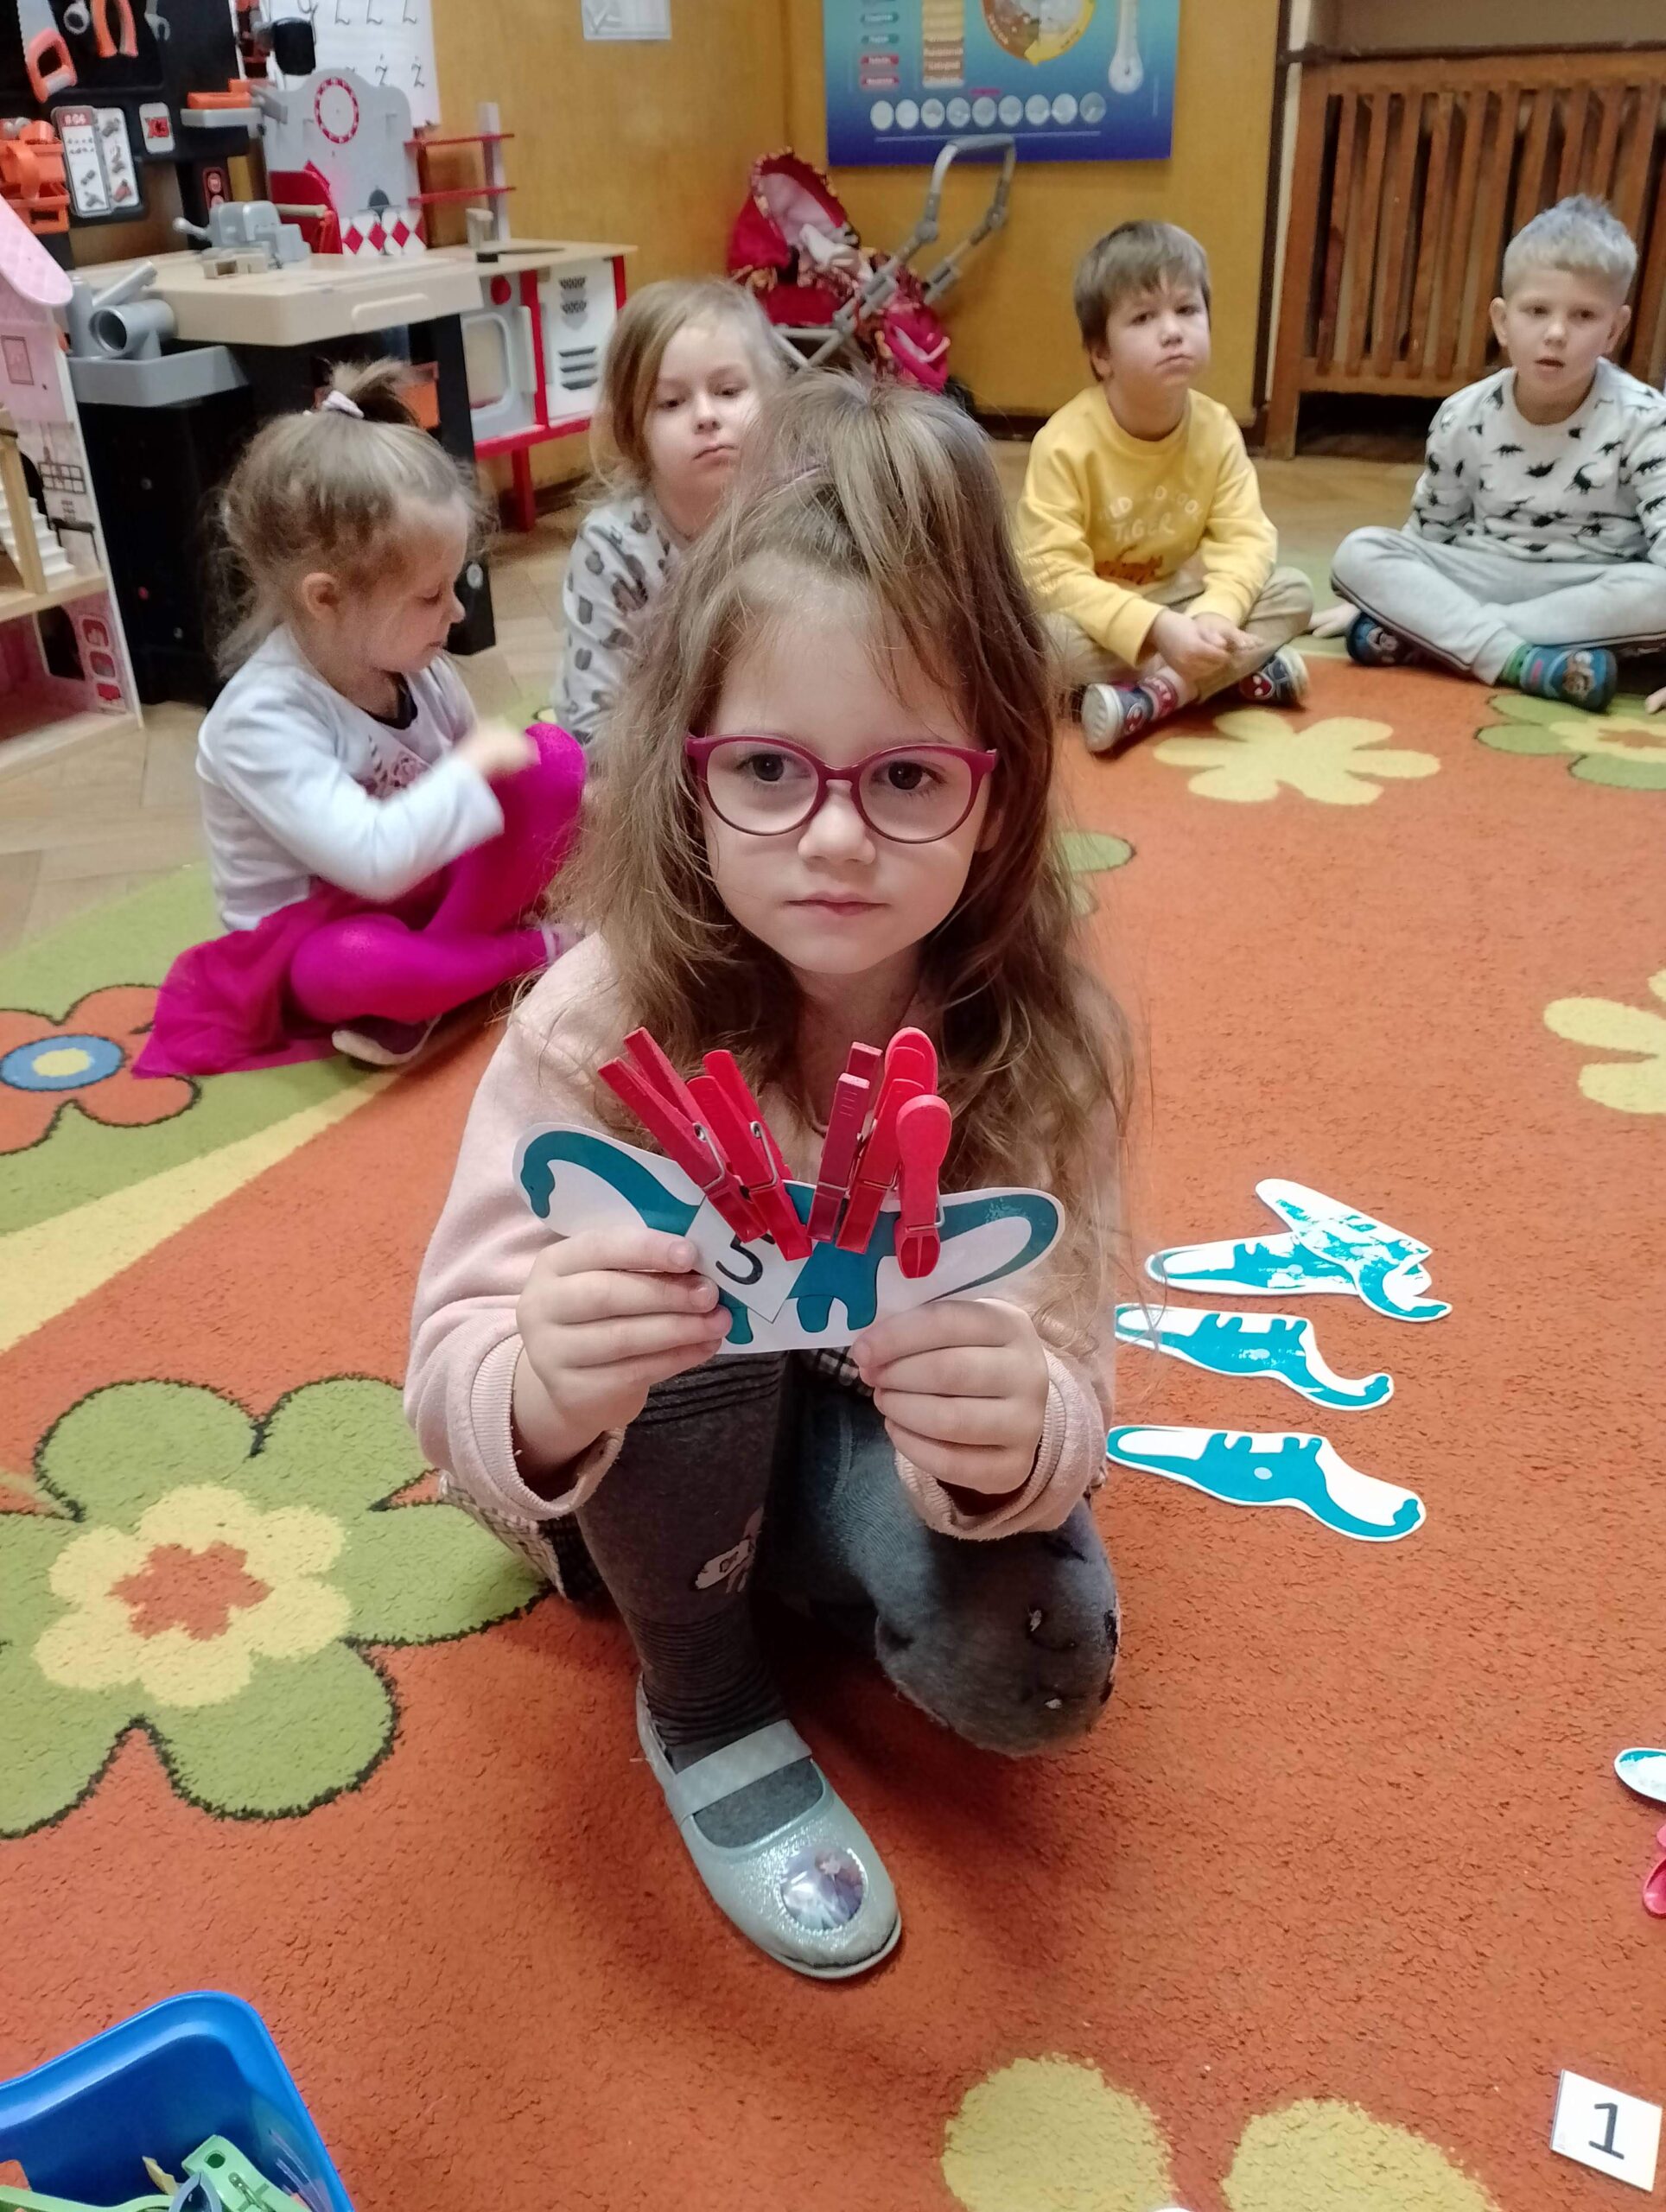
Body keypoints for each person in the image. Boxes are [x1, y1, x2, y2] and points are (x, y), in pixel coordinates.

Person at [408, 374, 1130, 1980]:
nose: (835, 839)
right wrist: (544, 1389)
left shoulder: (1038, 1042)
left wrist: (1018, 1436)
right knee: (674, 1309)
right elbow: (450, 1368)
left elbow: (1073, 1357)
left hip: (862, 1437)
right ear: (692, 777)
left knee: (1039, 1660)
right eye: (769, 772)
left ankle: (783, 1561)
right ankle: (705, 1680)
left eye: (907, 778)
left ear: (996, 794)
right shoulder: (594, 1023)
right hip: (646, 1457)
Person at [137, 361, 584, 1079]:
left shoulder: (414, 665)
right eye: (430, 596)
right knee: (354, 965)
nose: (457, 612)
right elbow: (374, 863)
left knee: (554, 757)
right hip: (309, 938)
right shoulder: (257, 720)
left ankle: (433, 983)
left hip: (422, 889)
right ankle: (531, 952)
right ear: (326, 599)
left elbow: (485, 800)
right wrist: (473, 768)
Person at [1327, 195, 1666, 712]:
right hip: (1481, 571)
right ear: (1503, 322)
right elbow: (1429, 532)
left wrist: (1408, 612)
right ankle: (1524, 660)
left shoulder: (1646, 419)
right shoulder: (1462, 414)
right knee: (1360, 553)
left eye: (1583, 315)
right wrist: (1377, 592)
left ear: (1613, 331)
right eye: (1537, 311)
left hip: (1587, 587)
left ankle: (1437, 638)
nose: (1556, 333)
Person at [1014, 219, 1313, 753]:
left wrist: (1213, 615)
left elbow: (1245, 539)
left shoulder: (1217, 429)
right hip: (1094, 621)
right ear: (1101, 355)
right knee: (1038, 648)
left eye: (1187, 309)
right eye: (1144, 317)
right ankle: (1230, 674)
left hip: (1180, 605)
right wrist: (1157, 630)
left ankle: (1156, 695)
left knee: (1291, 591)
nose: (1172, 331)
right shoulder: (1063, 443)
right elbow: (1050, 574)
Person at [553, 276, 785, 745]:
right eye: (671, 402)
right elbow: (592, 724)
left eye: (728, 391)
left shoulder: (797, 511)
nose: (706, 416)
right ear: (632, 430)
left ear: (771, 397)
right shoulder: (613, 548)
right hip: (651, 750)